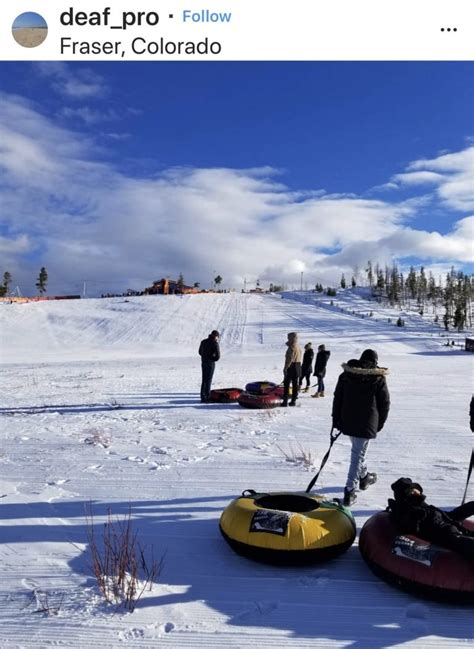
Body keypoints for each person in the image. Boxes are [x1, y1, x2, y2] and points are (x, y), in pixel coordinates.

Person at [332, 348, 390, 506]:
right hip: (367, 422)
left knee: (358, 452)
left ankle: (364, 478)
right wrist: (379, 424)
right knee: (357, 454)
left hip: (348, 419)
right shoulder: (378, 378)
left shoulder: (346, 375)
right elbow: (384, 404)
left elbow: (338, 397)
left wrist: (336, 419)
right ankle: (350, 490)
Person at [387, 478, 474, 563]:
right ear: (404, 496)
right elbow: (407, 529)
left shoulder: (424, 506)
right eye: (411, 491)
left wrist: (470, 507)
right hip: (447, 539)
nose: (416, 493)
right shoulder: (406, 511)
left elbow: (449, 517)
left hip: (457, 532)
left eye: (416, 489)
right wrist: (416, 518)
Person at [198, 330, 220, 403]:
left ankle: (202, 396)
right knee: (208, 380)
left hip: (203, 362)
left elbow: (200, 352)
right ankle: (207, 396)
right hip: (210, 364)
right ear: (216, 336)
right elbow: (218, 356)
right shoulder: (214, 343)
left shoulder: (203, 341)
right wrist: (212, 358)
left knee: (204, 379)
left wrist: (205, 357)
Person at [282, 332, 302, 407]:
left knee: (286, 384)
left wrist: (285, 368)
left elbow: (289, 359)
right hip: (298, 366)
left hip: (291, 367)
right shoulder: (298, 346)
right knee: (295, 385)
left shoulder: (291, 347)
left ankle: (285, 401)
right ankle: (293, 401)